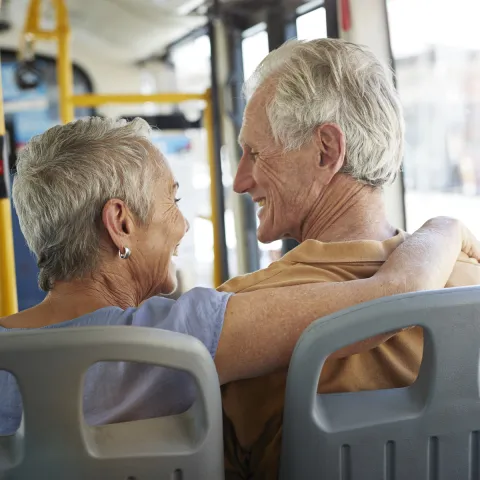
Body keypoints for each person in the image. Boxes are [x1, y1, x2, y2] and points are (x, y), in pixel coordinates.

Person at [0, 118, 476, 437]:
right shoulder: (170, 339)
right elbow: (393, 295)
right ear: (121, 223)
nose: (183, 225)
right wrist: (446, 227)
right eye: (174, 201)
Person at [219, 38, 480, 479]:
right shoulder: (469, 279)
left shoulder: (242, 313)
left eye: (255, 153)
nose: (241, 181)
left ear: (326, 150)